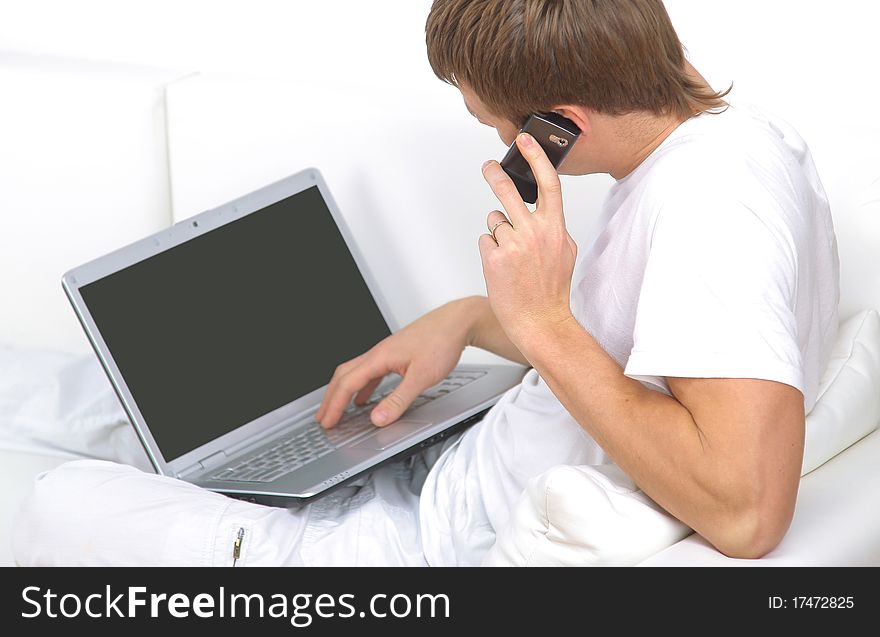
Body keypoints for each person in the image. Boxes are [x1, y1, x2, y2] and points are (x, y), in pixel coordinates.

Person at [13, 0, 838, 566]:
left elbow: (744, 510)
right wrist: (471, 317)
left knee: (56, 500)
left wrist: (545, 322)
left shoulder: (713, 211)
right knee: (128, 401)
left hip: (410, 548)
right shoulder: (725, 135)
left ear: (562, 125)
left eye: (491, 123)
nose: (488, 135)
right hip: (448, 461)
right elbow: (646, 341)